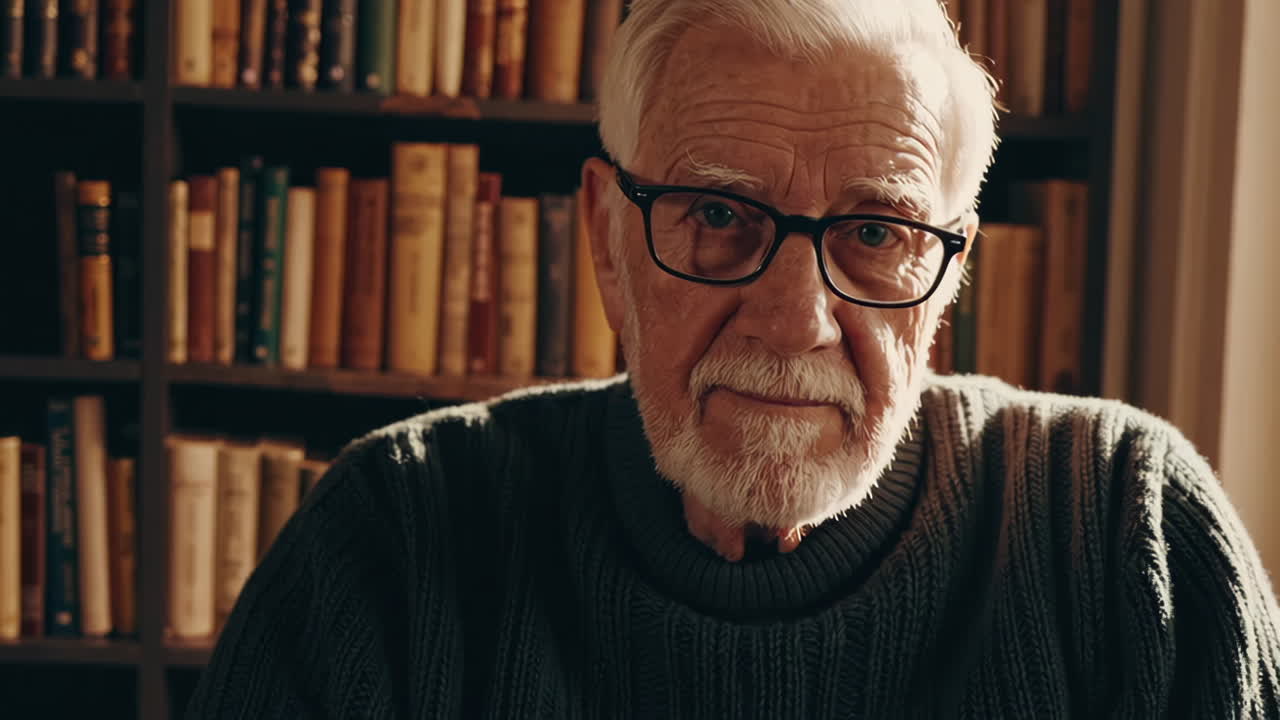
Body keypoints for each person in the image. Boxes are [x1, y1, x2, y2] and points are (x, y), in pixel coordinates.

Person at [185, 1, 1280, 717]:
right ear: (607, 236)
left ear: (946, 272)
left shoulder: (1123, 533)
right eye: (718, 214)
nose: (794, 320)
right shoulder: (394, 536)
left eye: (875, 231)